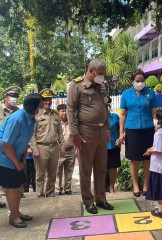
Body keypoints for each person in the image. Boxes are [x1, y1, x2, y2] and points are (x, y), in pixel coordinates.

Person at [67, 59, 114, 214]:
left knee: (101, 167)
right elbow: (70, 110)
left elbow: (105, 108)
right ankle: (88, 200)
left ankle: (101, 199)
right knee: (86, 169)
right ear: (91, 71)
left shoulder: (101, 85)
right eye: (100, 73)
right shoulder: (76, 85)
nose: (102, 76)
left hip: (101, 131)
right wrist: (75, 133)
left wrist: (107, 128)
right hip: (86, 131)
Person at [0, 93, 45, 228]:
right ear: (34, 107)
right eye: (41, 106)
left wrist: (24, 157)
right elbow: (6, 144)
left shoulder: (31, 119)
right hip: (5, 157)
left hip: (16, 156)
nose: (42, 108)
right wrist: (17, 162)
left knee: (18, 185)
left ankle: (16, 212)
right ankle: (14, 217)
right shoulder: (17, 119)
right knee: (12, 187)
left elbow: (24, 139)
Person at [118, 69, 158, 197]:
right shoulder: (126, 94)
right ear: (132, 81)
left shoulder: (150, 93)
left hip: (147, 128)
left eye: (142, 81)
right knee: (134, 159)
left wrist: (159, 127)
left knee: (147, 159)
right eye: (137, 81)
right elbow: (123, 114)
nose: (140, 83)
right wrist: (121, 133)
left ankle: (146, 185)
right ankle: (136, 185)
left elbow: (154, 113)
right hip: (132, 129)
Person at [29, 89, 65, 198]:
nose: (47, 101)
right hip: (41, 147)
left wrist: (62, 147)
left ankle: (50, 194)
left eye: (49, 99)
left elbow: (60, 133)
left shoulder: (55, 115)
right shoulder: (36, 115)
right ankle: (40, 194)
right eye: (45, 99)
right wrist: (34, 149)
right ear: (41, 100)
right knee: (40, 174)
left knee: (52, 174)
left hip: (54, 147)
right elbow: (32, 134)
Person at [144, 109, 162, 218]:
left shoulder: (160, 133)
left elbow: (159, 149)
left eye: (156, 118)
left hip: (158, 165)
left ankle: (161, 211)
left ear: (159, 119)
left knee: (159, 188)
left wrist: (150, 150)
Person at [0, 86, 21, 208]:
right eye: (12, 97)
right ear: (5, 97)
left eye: (16, 97)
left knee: (11, 178)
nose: (15, 99)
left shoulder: (18, 112)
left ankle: (13, 206)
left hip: (13, 149)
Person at [55, 104, 76, 195]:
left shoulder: (73, 123)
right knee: (57, 171)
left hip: (71, 150)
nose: (64, 113)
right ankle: (58, 189)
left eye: (65, 111)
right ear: (58, 112)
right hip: (59, 151)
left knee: (69, 171)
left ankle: (68, 188)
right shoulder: (56, 123)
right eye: (62, 111)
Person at [105, 100, 122, 193]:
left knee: (113, 167)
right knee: (101, 167)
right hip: (101, 146)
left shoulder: (115, 117)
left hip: (114, 146)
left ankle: (111, 187)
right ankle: (101, 187)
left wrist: (120, 139)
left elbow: (120, 130)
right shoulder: (98, 119)